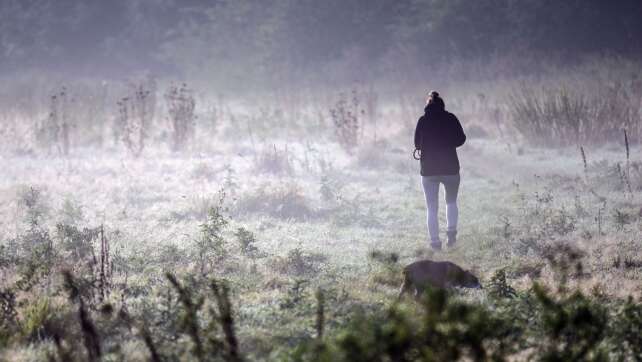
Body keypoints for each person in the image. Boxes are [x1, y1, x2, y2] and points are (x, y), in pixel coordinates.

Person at [414, 91, 466, 250]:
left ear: (427, 105)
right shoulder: (450, 118)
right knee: (451, 202)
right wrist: (447, 142)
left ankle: (435, 243)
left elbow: (417, 144)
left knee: (431, 207)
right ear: (442, 105)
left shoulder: (422, 120)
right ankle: (451, 237)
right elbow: (461, 139)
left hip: (429, 169)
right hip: (450, 167)